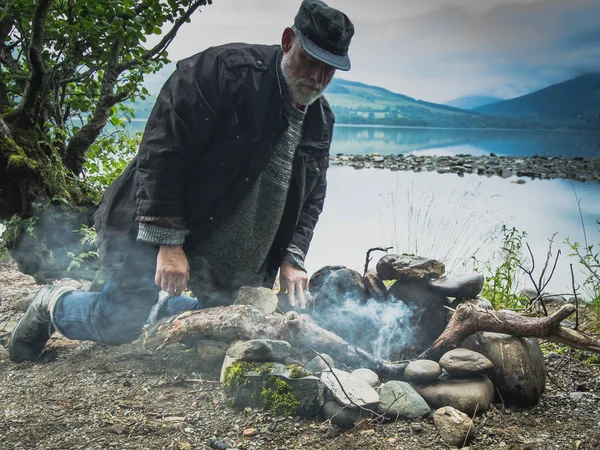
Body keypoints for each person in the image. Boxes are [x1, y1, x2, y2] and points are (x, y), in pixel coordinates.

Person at [8, 0, 355, 363]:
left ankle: (165, 310)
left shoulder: (320, 119)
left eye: (328, 70)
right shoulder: (221, 72)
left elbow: (313, 194)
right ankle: (51, 303)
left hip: (230, 257)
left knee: (230, 323)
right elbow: (162, 152)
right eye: (310, 61)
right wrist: (169, 242)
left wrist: (294, 255)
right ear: (288, 41)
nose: (316, 78)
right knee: (117, 324)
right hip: (155, 221)